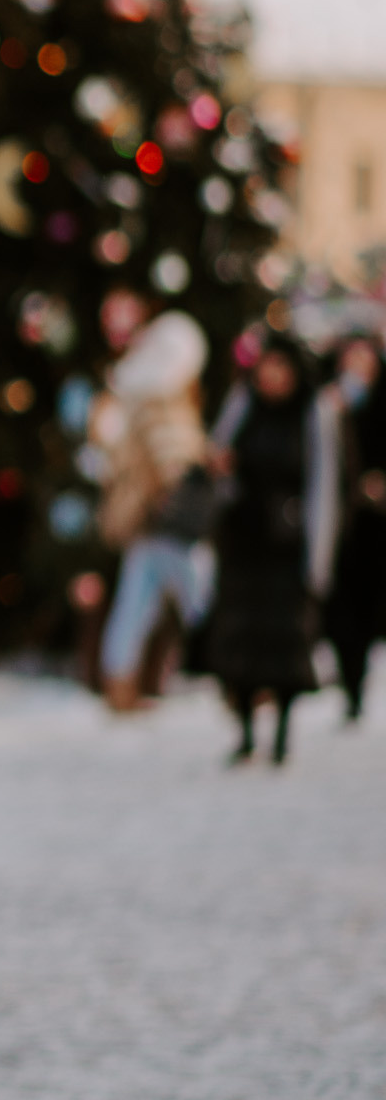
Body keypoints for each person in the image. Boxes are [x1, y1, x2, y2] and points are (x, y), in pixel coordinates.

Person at [207, 333, 337, 766]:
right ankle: (244, 732)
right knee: (240, 644)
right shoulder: (242, 406)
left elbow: (324, 485)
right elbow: (219, 463)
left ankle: (281, 734)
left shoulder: (313, 412)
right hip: (243, 545)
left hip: (286, 545)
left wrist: (318, 557)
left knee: (284, 647)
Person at [94, 311, 216, 714]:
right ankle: (231, 673)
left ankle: (120, 684)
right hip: (168, 518)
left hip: (142, 518)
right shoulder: (164, 400)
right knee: (201, 594)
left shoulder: (136, 398)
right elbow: (173, 456)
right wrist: (187, 479)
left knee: (135, 604)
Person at [323, 332, 386, 721]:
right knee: (347, 617)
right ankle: (352, 689)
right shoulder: (331, 405)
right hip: (343, 525)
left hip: (379, 525)